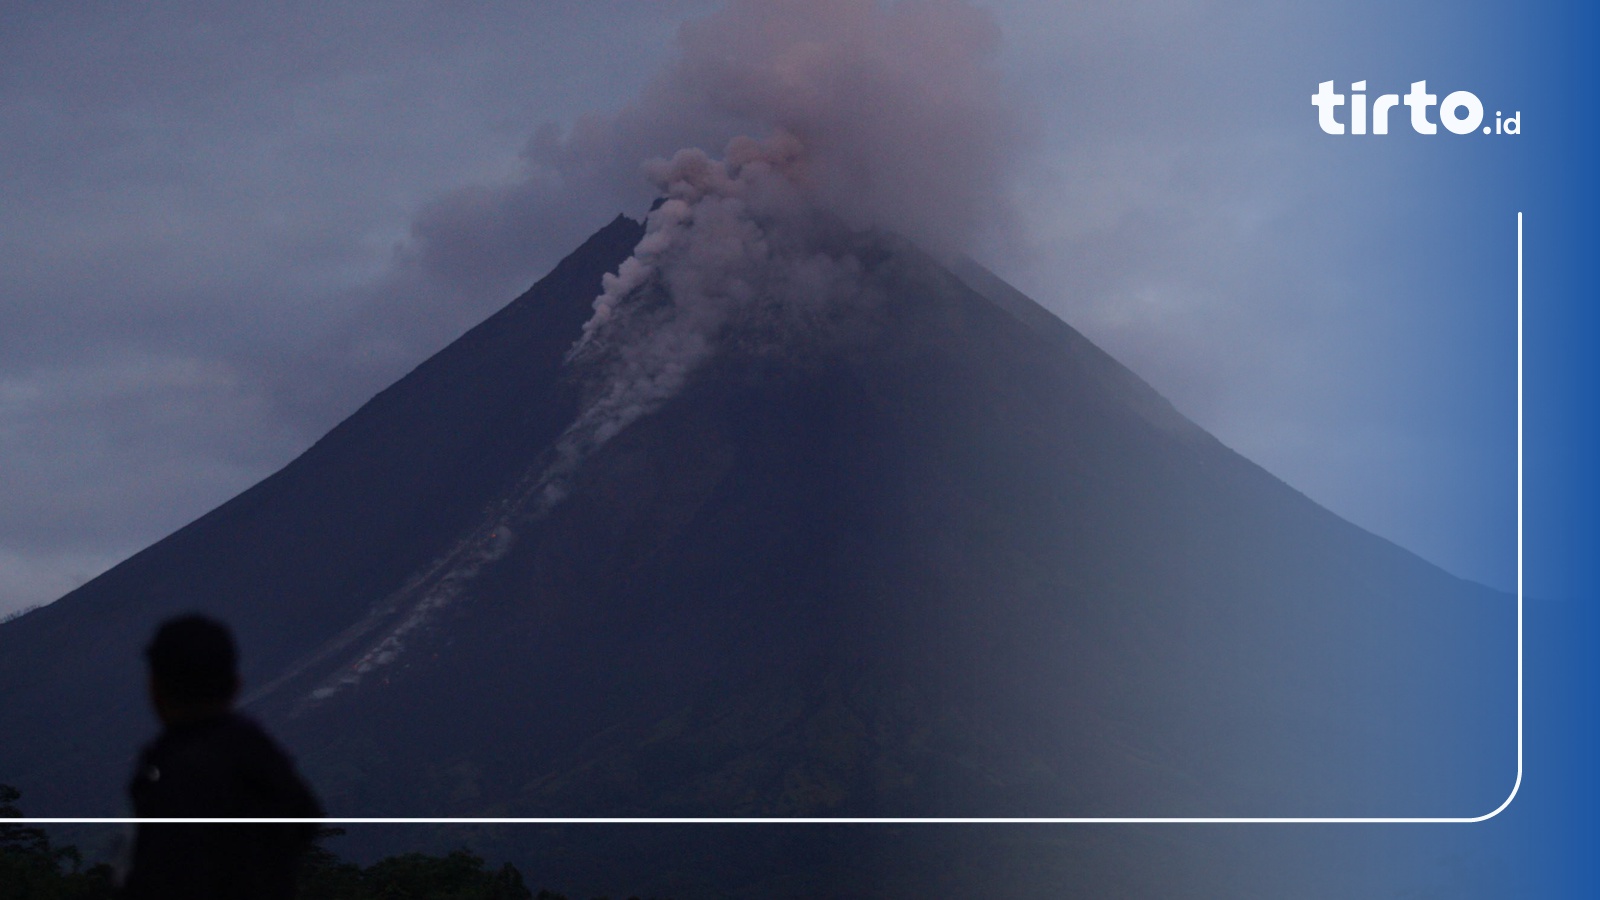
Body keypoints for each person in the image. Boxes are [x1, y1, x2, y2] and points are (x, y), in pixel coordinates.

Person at [122, 614, 322, 899]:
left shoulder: (174, 767)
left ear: (155, 687)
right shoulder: (258, 753)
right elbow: (305, 815)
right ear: (236, 684)